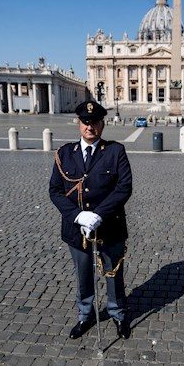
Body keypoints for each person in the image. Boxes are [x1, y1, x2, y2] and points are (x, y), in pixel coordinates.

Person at [49, 100, 132, 340]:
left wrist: (98, 214)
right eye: (86, 122)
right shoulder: (65, 153)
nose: (90, 127)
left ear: (102, 124)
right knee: (83, 274)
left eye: (95, 122)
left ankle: (117, 313)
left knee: (113, 274)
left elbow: (123, 188)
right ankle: (85, 315)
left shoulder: (116, 151)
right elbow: (55, 190)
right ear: (79, 124)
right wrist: (78, 216)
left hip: (110, 225)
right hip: (77, 229)